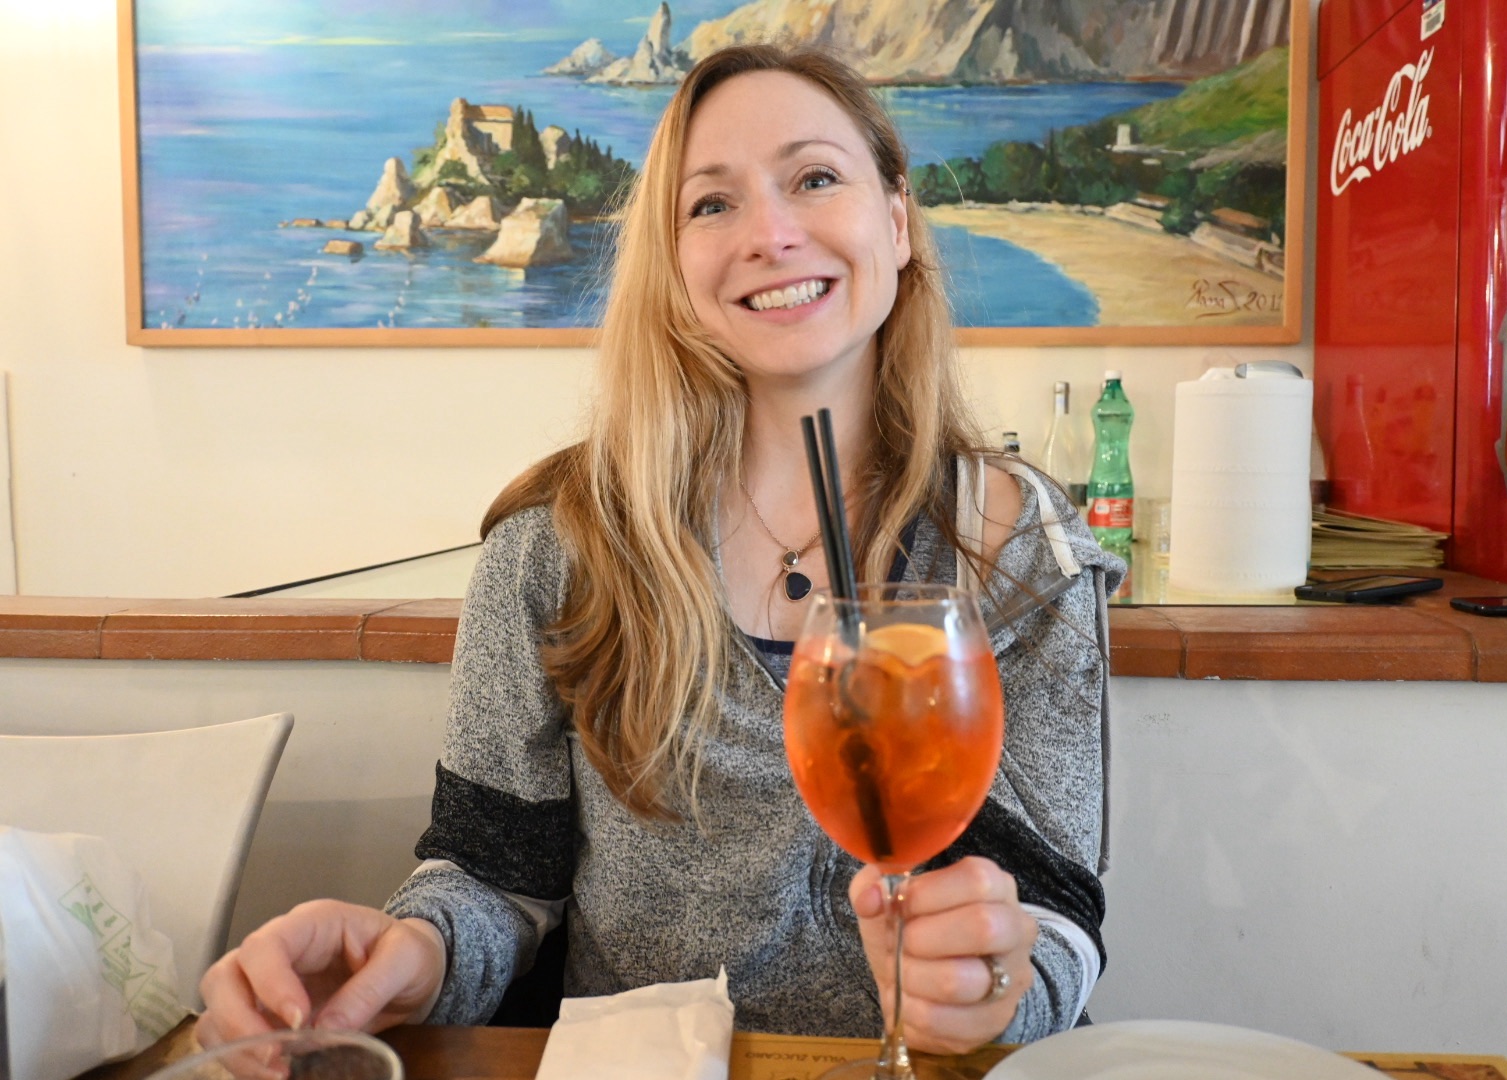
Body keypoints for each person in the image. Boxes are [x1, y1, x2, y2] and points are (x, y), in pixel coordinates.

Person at [196, 43, 1123, 1054]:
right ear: (673, 264)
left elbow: (1060, 909)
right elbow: (493, 873)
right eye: (712, 204)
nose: (770, 233)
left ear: (896, 221)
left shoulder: (1017, 546)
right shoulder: (557, 544)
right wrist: (414, 951)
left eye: (815, 178)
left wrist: (1001, 991)